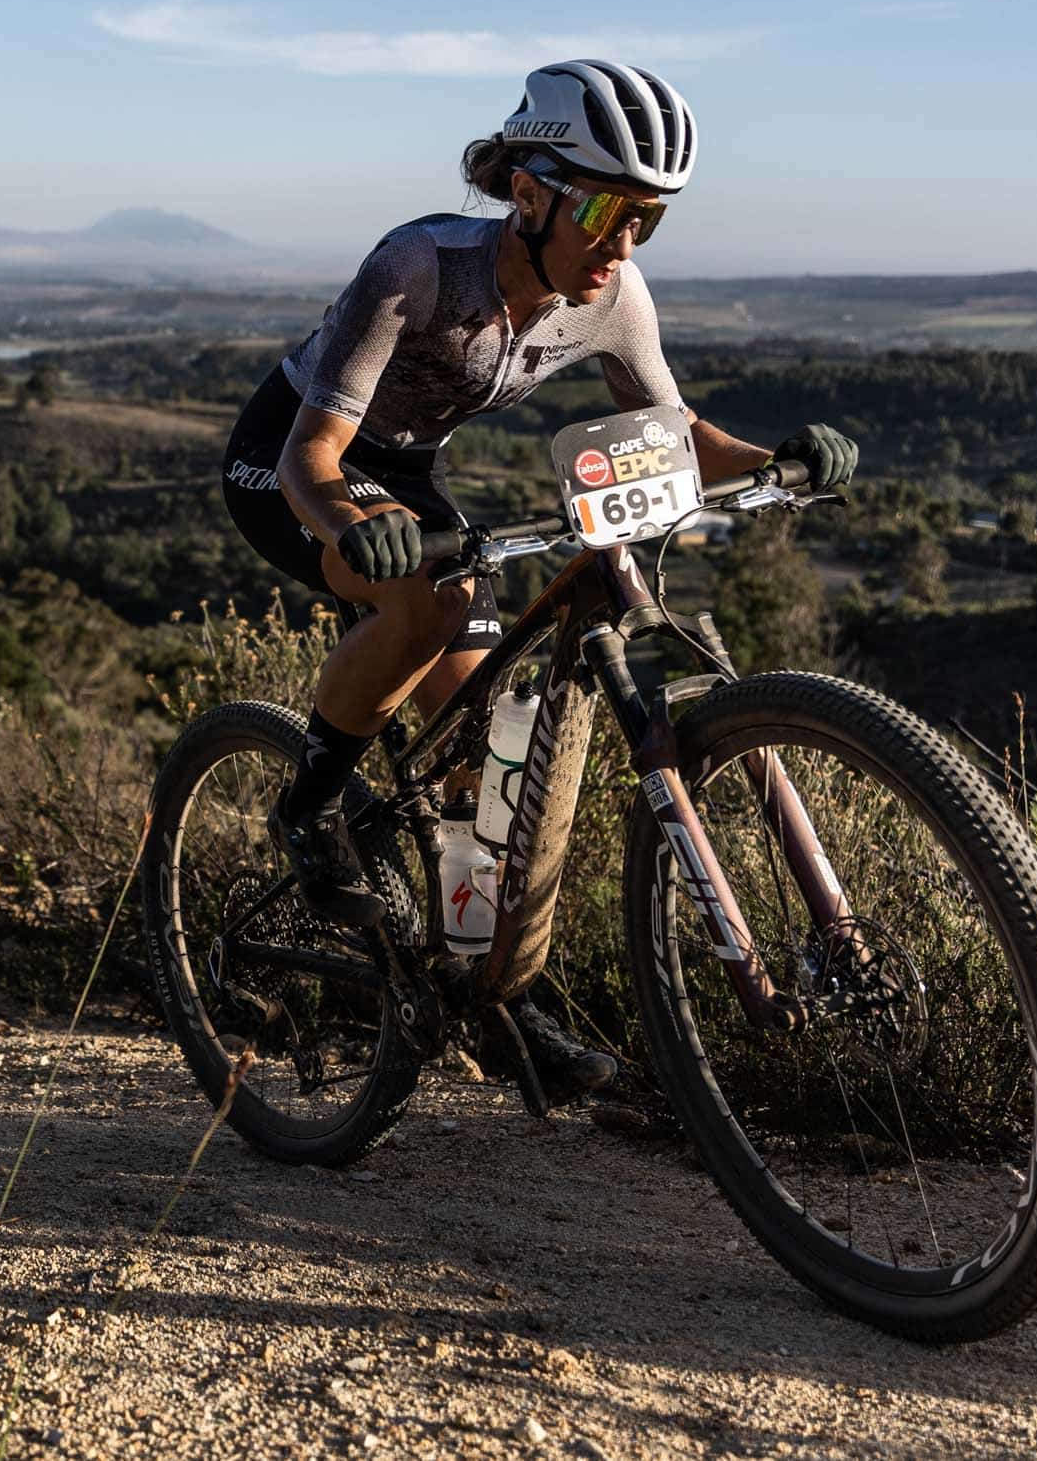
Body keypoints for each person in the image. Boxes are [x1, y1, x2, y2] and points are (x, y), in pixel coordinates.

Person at [219, 59, 859, 1101]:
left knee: (495, 750)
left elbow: (675, 435)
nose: (618, 245)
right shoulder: (419, 267)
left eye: (643, 221)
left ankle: (495, 997)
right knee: (423, 602)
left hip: (409, 479)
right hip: (295, 463)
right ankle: (311, 803)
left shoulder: (612, 296)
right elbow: (310, 460)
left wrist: (780, 458)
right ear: (529, 192)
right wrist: (349, 524)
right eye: (604, 209)